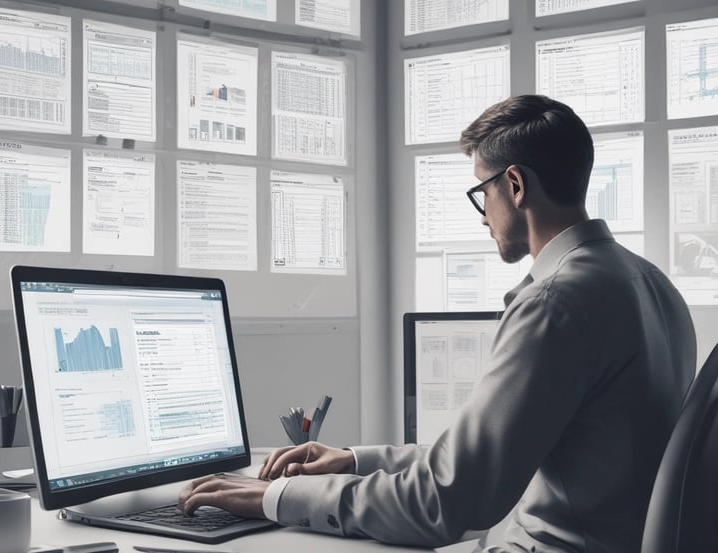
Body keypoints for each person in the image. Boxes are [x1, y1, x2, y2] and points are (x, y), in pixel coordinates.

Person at [178, 95, 697, 552]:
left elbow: (446, 500)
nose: (483, 215)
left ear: (515, 185)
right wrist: (354, 459)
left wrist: (277, 496)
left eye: (482, 192)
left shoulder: (553, 303)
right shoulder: (653, 286)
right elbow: (471, 465)